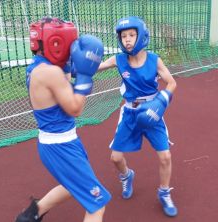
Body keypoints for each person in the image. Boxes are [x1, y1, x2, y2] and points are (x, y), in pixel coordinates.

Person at [15, 17, 111, 222]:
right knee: (97, 203)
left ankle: (31, 215)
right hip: (60, 146)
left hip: (59, 142)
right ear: (56, 43)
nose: (71, 48)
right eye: (68, 43)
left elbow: (67, 75)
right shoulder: (51, 73)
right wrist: (85, 77)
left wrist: (93, 66)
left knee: (72, 186)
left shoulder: (39, 68)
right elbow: (75, 108)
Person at [96, 16, 178, 217]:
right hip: (130, 113)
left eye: (132, 35)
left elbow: (172, 82)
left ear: (141, 36)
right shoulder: (119, 59)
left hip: (152, 111)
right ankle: (127, 175)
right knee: (115, 158)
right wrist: (75, 64)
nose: (128, 40)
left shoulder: (154, 60)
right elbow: (95, 67)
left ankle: (164, 192)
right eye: (124, 36)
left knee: (165, 156)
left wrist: (161, 102)